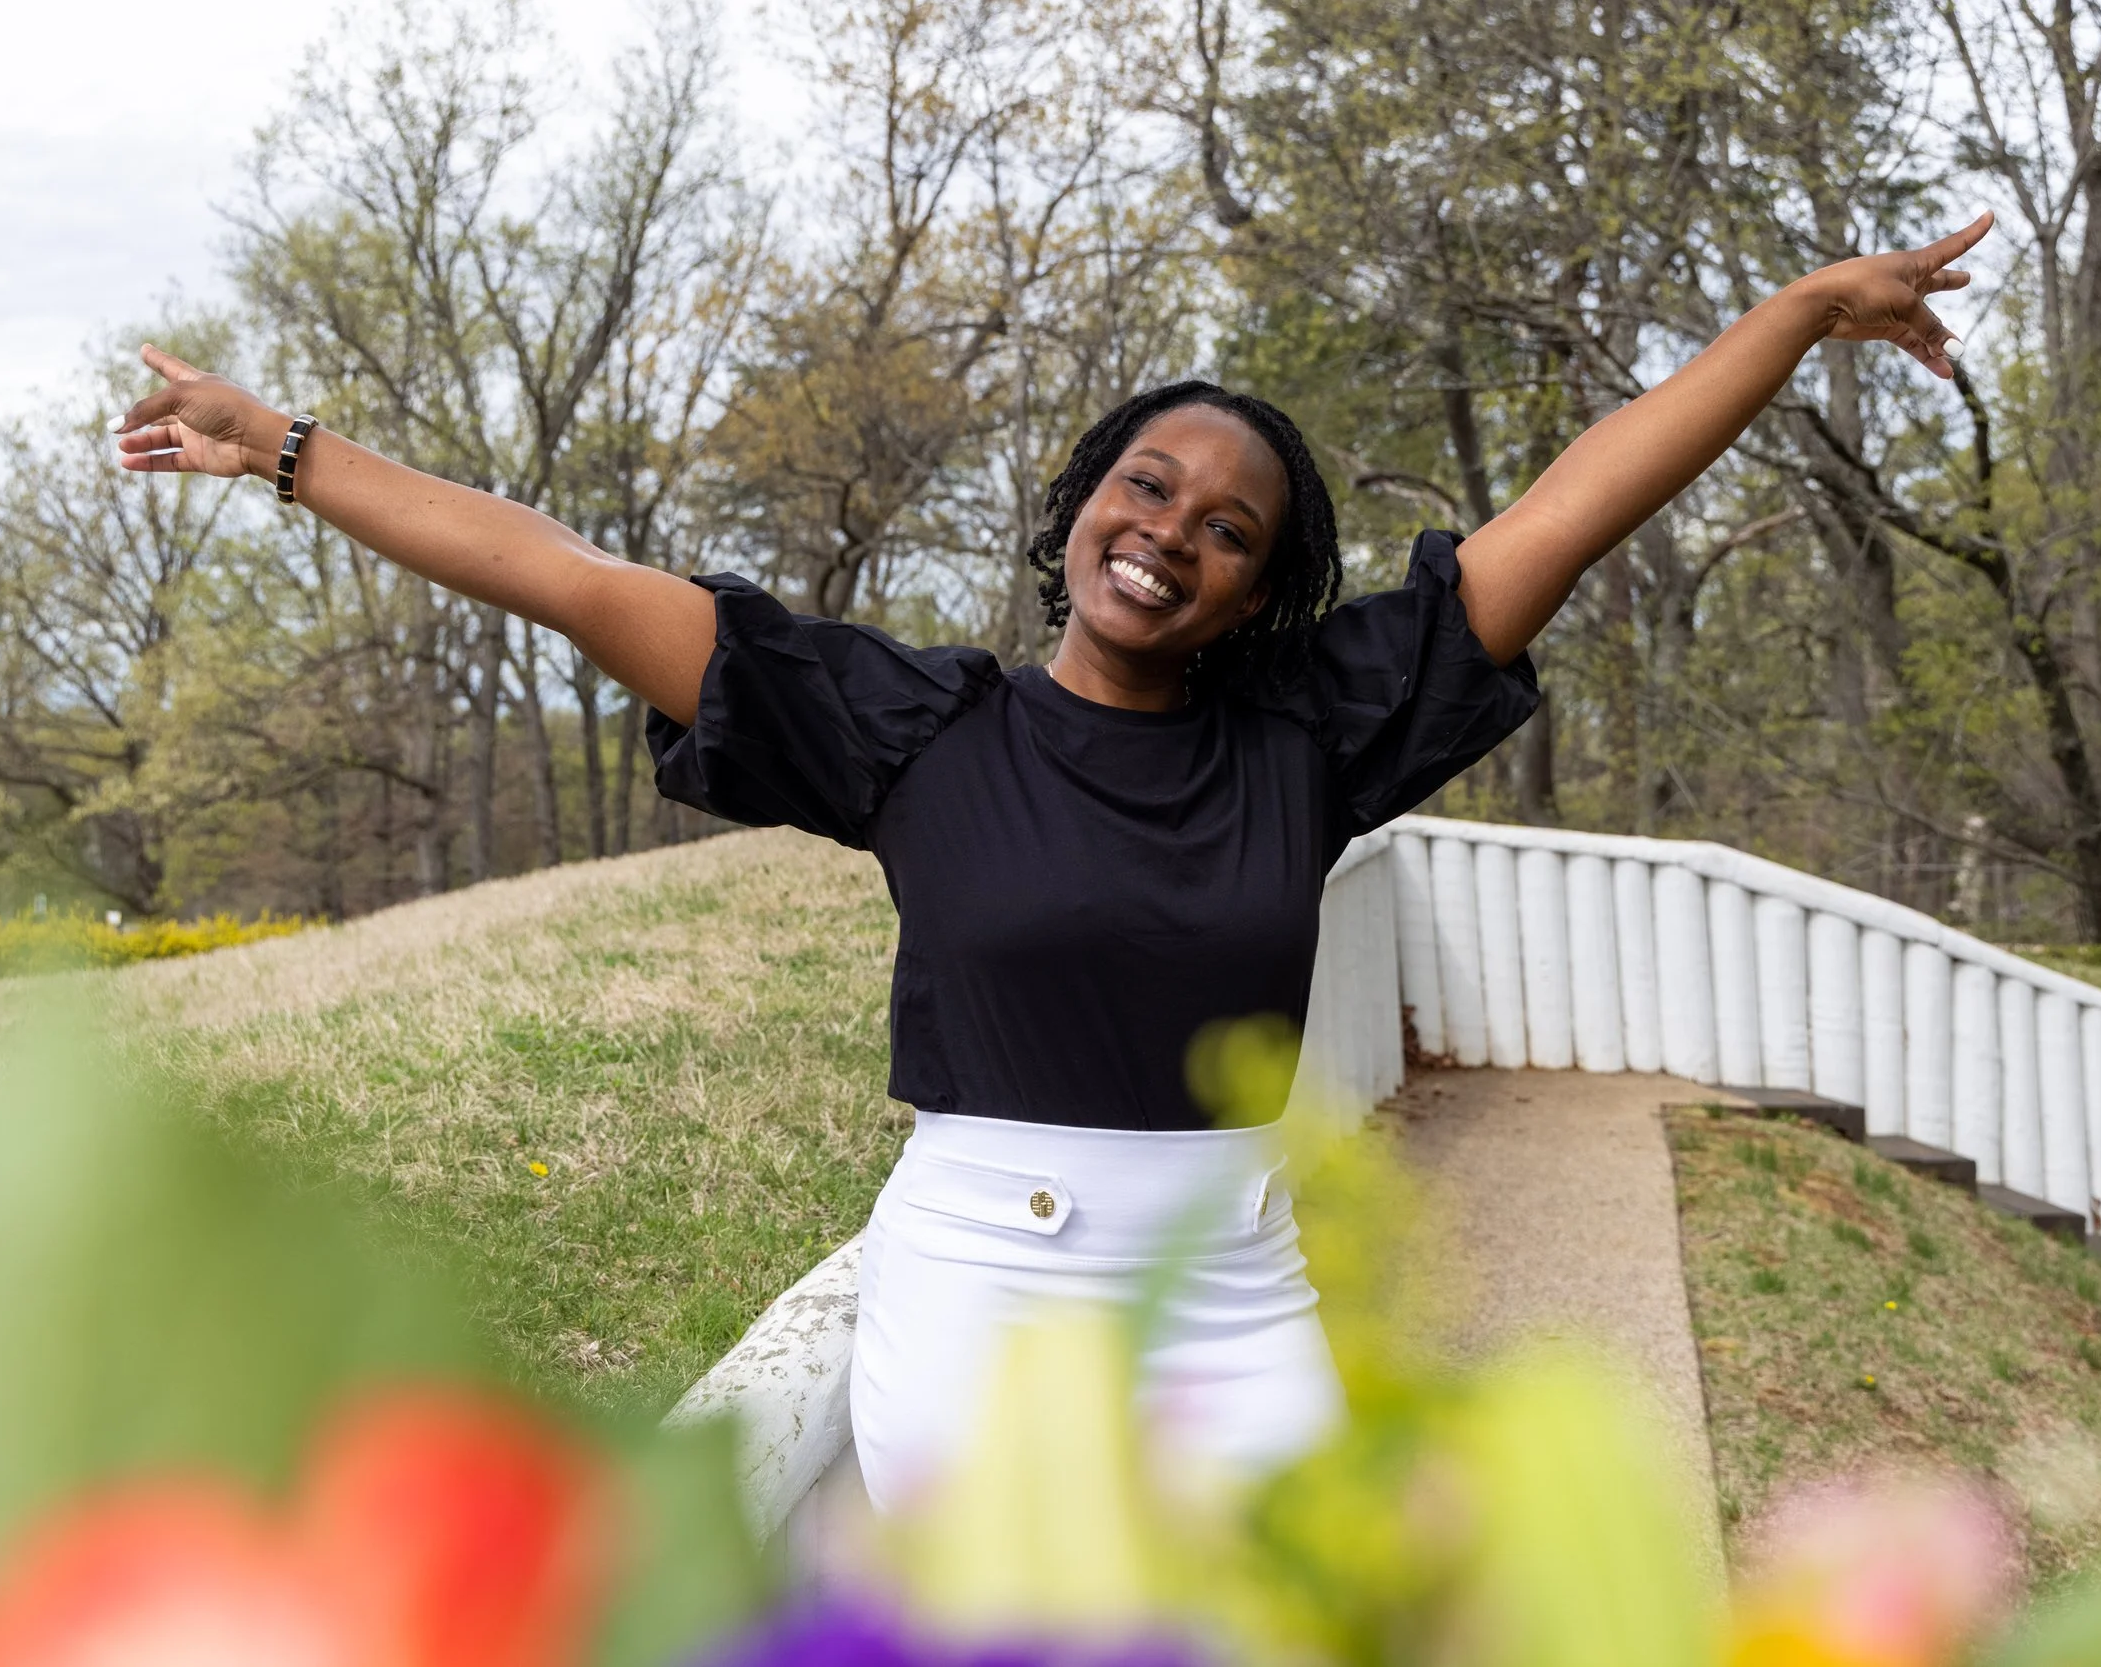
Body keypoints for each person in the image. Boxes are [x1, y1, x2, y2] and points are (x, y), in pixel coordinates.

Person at [112, 211, 1991, 1508]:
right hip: (979, 1302)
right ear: (1079, 503)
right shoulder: (918, 729)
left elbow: (1574, 506)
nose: (1173, 533)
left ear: (1264, 585)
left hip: (1237, 1302)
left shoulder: (1312, 734)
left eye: (1232, 528)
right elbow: (574, 575)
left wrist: (1795, 318)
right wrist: (287, 450)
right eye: (1148, 486)